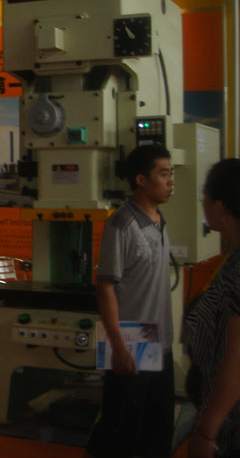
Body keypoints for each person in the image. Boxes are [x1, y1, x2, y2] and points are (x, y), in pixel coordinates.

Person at [84, 144, 175, 458]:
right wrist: (119, 347)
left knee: (158, 430)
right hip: (131, 347)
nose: (171, 181)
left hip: (160, 344)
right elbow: (105, 287)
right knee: (122, 432)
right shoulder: (122, 224)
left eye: (171, 174)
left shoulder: (160, 220)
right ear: (141, 179)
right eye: (163, 174)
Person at [183, 158, 240, 457]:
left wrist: (208, 429)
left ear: (219, 207)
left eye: (204, 196)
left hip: (230, 425)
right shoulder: (232, 259)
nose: (202, 204)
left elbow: (237, 357)